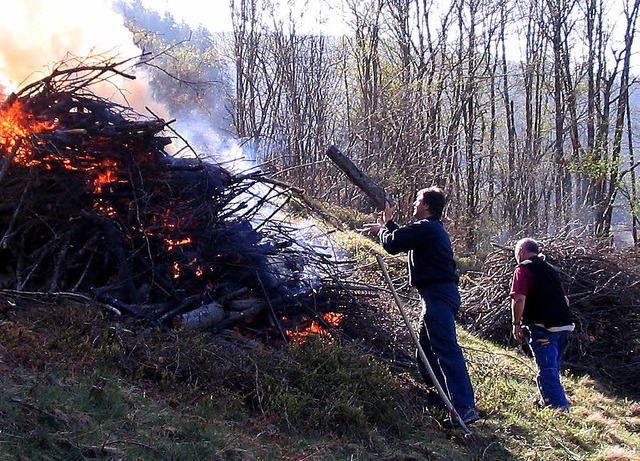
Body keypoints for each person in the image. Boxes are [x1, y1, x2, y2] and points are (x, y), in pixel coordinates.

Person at [362, 186, 479, 427]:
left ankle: (465, 406)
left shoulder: (428, 228)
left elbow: (393, 244)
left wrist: (383, 230)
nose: (414, 204)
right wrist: (388, 224)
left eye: (417, 200)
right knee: (425, 351)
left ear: (427, 206)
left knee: (446, 348)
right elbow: (403, 239)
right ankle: (439, 401)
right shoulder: (429, 230)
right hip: (435, 295)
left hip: (439, 294)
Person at [509, 238, 574, 411]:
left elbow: (519, 299)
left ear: (521, 251)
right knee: (553, 368)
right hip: (565, 326)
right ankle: (546, 400)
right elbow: (565, 300)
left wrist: (516, 323)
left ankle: (558, 408)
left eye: (516, 252)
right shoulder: (550, 270)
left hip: (544, 328)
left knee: (547, 370)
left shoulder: (523, 269)